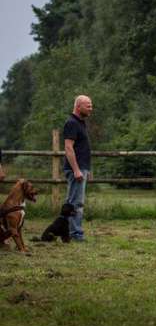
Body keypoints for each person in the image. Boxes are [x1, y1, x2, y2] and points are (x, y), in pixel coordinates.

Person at [63, 95, 93, 242]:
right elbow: (68, 147)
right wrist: (76, 170)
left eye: (91, 105)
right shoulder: (71, 123)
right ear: (78, 106)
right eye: (88, 105)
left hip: (82, 168)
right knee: (76, 203)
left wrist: (88, 169)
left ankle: (66, 232)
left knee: (71, 202)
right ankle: (76, 234)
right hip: (76, 169)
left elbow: (82, 148)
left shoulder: (81, 123)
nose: (91, 108)